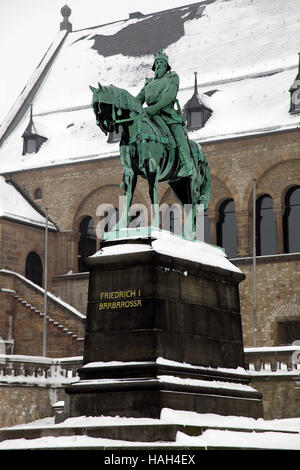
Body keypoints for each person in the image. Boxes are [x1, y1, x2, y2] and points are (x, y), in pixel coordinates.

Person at [136, 50, 193, 177]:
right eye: (157, 62)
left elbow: (170, 96)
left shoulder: (172, 77)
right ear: (154, 66)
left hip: (167, 113)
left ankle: (187, 165)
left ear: (166, 66)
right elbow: (138, 100)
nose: (159, 64)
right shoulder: (148, 83)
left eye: (162, 62)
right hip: (149, 116)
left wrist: (155, 108)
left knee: (178, 135)